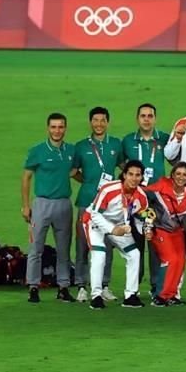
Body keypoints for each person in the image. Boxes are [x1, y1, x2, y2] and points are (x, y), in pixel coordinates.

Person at [21, 113, 76, 303]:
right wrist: (26, 205)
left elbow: (74, 171)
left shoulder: (71, 150)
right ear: (48, 128)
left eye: (60, 127)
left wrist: (90, 183)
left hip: (64, 204)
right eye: (53, 127)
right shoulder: (37, 151)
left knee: (63, 249)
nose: (57, 131)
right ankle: (33, 287)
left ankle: (63, 287)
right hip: (42, 204)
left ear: (65, 129)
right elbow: (26, 177)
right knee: (36, 247)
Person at [82, 160, 151, 310]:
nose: (134, 178)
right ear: (124, 175)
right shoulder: (109, 189)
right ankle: (96, 296)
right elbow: (95, 214)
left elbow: (140, 219)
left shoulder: (141, 197)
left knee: (134, 254)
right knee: (99, 256)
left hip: (119, 225)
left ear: (141, 177)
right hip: (94, 222)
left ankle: (130, 295)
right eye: (130, 174)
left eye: (138, 175)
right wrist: (112, 230)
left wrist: (146, 231)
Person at [72, 107, 123, 302]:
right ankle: (82, 286)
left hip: (108, 205)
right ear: (90, 122)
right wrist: (86, 181)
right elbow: (73, 171)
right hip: (86, 200)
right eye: (95, 120)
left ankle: (104, 285)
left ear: (108, 122)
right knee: (83, 244)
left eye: (103, 120)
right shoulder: (81, 146)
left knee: (107, 244)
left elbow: (123, 166)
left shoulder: (116, 144)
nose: (99, 124)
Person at [121, 103, 170, 298]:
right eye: (143, 116)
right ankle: (134, 287)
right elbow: (122, 166)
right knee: (136, 242)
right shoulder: (127, 141)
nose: (147, 119)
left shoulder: (164, 139)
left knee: (156, 243)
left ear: (155, 119)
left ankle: (157, 287)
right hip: (136, 200)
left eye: (150, 116)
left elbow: (175, 158)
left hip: (157, 200)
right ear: (137, 118)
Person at [145, 162, 186, 307]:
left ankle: (171, 294)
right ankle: (159, 295)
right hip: (161, 229)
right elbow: (142, 195)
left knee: (180, 261)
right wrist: (147, 224)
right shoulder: (160, 186)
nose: (181, 177)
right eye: (178, 174)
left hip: (177, 231)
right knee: (170, 259)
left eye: (184, 175)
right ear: (172, 175)